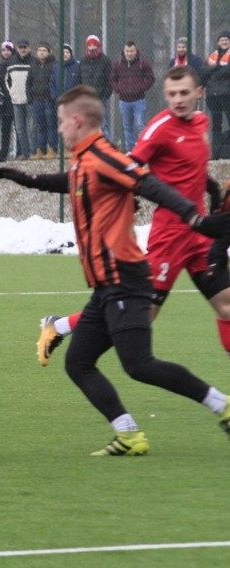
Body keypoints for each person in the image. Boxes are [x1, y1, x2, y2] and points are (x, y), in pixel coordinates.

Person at [0, 85, 230, 455]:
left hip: (125, 278)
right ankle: (130, 435)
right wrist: (25, 179)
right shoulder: (84, 160)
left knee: (139, 364)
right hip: (106, 285)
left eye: (60, 123)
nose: (58, 131)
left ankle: (222, 404)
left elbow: (150, 185)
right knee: (78, 362)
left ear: (77, 120)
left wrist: (194, 218)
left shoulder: (105, 156)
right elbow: (71, 183)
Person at [35, 67, 230, 365]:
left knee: (226, 307)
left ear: (199, 93)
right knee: (140, 317)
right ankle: (59, 326)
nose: (178, 99)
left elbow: (188, 169)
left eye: (184, 93)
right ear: (165, 95)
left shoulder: (203, 123)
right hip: (169, 237)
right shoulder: (158, 129)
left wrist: (211, 187)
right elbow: (127, 169)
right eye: (172, 94)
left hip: (199, 234)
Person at [110, 40, 155, 152]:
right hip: (124, 101)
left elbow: (150, 78)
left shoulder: (142, 63)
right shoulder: (118, 64)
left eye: (131, 51)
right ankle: (131, 150)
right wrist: (119, 89)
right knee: (127, 127)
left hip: (139, 100)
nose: (129, 53)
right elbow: (112, 79)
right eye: (127, 51)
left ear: (136, 51)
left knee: (140, 126)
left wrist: (141, 88)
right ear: (124, 52)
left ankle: (143, 149)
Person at [27, 41, 58, 159]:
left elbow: (55, 82)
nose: (41, 53)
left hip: (49, 100)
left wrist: (54, 97)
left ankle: (52, 149)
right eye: (39, 50)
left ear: (49, 52)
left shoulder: (54, 65)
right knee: (40, 126)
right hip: (36, 100)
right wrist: (30, 98)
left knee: (51, 124)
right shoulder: (33, 65)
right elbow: (28, 83)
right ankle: (40, 150)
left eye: (44, 50)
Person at [203, 31, 230, 160]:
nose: (224, 42)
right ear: (218, 42)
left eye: (226, 39)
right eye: (222, 40)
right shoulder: (212, 56)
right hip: (212, 96)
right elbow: (204, 71)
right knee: (216, 126)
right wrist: (217, 69)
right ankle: (216, 154)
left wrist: (214, 70)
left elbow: (225, 72)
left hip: (227, 95)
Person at [6, 38, 34, 160]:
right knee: (20, 129)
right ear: (17, 49)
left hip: (30, 100)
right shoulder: (11, 62)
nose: (23, 50)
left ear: (29, 48)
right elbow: (7, 79)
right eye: (20, 47)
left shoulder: (34, 62)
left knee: (33, 128)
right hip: (16, 100)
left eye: (25, 47)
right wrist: (11, 92)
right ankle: (25, 153)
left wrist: (33, 94)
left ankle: (34, 152)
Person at [81, 34, 113, 139]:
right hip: (87, 98)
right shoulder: (83, 61)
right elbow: (80, 78)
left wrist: (106, 93)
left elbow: (110, 79)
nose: (92, 48)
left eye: (94, 46)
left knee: (103, 123)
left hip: (101, 97)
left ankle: (107, 147)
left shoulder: (105, 60)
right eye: (89, 46)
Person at [0, 41, 16, 162]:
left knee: (20, 127)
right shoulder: (0, 65)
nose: (6, 52)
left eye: (8, 50)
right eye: (4, 50)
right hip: (6, 101)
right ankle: (3, 153)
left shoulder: (15, 63)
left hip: (17, 98)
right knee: (6, 128)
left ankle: (21, 151)